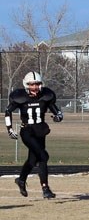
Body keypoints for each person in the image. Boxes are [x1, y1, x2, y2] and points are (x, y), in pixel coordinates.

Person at [5, 71, 63, 199]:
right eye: (32, 84)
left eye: (37, 84)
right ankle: (45, 188)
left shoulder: (46, 95)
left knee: (33, 160)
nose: (35, 87)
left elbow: (56, 110)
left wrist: (58, 116)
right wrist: (9, 128)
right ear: (26, 85)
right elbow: (8, 111)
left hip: (40, 130)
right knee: (43, 156)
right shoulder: (20, 97)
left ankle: (21, 180)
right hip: (27, 131)